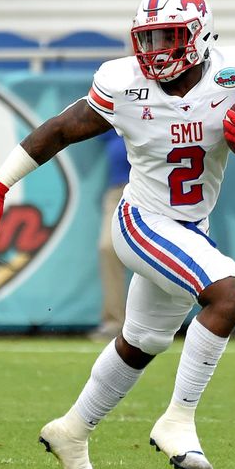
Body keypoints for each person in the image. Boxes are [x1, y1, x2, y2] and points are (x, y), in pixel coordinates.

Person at [0, 0, 235, 469]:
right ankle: (178, 420)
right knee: (229, 294)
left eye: (169, 37)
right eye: (149, 37)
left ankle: (72, 430)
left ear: (199, 35)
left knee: (142, 341)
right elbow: (58, 130)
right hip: (141, 220)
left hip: (191, 228)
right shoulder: (123, 83)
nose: (156, 50)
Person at [89, 130, 131, 342]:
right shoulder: (116, 112)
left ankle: (165, 321)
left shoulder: (156, 107)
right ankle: (114, 322)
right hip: (117, 191)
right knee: (108, 247)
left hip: (154, 190)